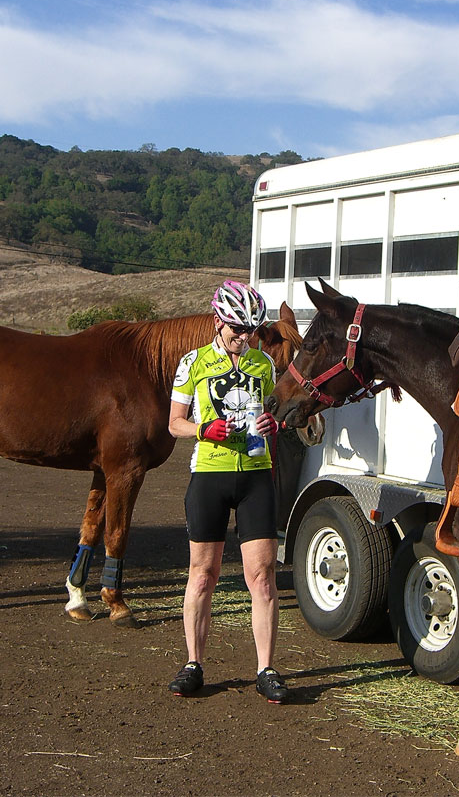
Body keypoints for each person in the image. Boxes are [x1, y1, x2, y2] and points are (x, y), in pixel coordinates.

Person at [166, 280, 288, 704]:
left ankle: (266, 669)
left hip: (256, 475)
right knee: (203, 575)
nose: (244, 338)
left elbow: (273, 413)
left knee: (263, 577)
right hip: (210, 476)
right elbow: (174, 422)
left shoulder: (263, 366)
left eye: (251, 331)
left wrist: (277, 426)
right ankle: (193, 664)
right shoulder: (192, 363)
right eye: (237, 329)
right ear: (218, 321)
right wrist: (204, 428)